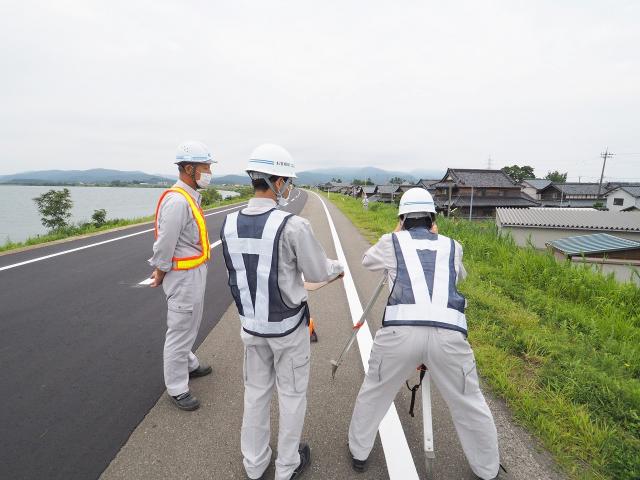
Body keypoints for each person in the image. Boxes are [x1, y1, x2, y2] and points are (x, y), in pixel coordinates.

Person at [348, 188, 502, 480]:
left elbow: (368, 261)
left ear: (402, 218)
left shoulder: (390, 241)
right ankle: (488, 469)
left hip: (399, 334)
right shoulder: (453, 246)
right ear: (433, 218)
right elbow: (458, 276)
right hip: (449, 336)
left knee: (376, 390)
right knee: (469, 400)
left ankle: (359, 452)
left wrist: (395, 233)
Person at [220, 144, 344, 480]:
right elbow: (317, 271)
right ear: (275, 181)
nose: (289, 187)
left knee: (256, 395)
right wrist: (336, 266)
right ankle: (287, 467)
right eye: (286, 180)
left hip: (251, 328)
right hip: (288, 330)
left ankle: (255, 463)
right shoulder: (293, 226)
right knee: (291, 397)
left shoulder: (228, 224)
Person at [148, 140, 215, 411]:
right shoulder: (177, 201)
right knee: (179, 329)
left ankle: (189, 363)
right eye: (206, 166)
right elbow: (165, 243)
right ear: (189, 168)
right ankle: (177, 387)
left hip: (194, 272)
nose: (209, 172)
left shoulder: (189, 197)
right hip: (182, 277)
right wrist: (160, 271)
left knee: (191, 322)